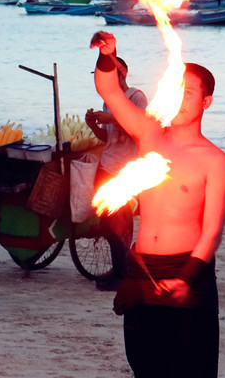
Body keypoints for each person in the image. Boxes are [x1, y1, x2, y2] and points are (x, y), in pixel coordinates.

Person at [89, 31, 225, 378]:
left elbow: (211, 233)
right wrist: (108, 56)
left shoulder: (215, 161)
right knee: (146, 368)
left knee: (190, 371)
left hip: (189, 275)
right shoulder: (149, 134)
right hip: (142, 272)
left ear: (206, 102)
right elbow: (109, 90)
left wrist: (186, 279)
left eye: (190, 93)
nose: (180, 98)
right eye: (177, 90)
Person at [85, 57, 148, 290]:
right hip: (106, 167)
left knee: (118, 225)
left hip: (125, 171)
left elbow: (141, 130)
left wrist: (112, 118)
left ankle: (121, 276)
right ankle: (119, 270)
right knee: (109, 224)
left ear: (121, 75)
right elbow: (106, 138)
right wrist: (93, 125)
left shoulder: (136, 97)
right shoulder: (107, 102)